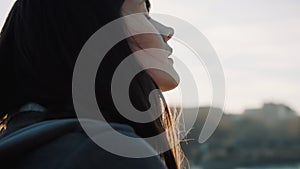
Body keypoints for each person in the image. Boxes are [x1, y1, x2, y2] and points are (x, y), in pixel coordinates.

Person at [0, 0, 184, 168]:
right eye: (144, 15)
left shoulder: (21, 146)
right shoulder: (111, 155)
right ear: (91, 30)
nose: (168, 31)